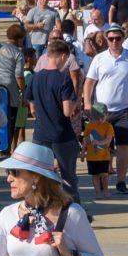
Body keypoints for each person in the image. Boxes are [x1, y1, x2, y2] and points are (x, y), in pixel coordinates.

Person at [83, 32, 128, 187]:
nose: (114, 41)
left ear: (123, 39)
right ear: (106, 40)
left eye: (118, 38)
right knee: (100, 145)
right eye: (111, 39)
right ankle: (101, 180)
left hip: (125, 109)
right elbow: (89, 83)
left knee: (123, 146)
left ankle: (121, 180)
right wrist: (87, 103)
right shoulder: (99, 58)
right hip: (101, 111)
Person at [26, 39, 83, 193]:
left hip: (40, 134)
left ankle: (43, 208)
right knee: (68, 177)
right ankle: (73, 210)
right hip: (61, 134)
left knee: (41, 176)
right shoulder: (63, 79)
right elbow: (67, 111)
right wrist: (75, 105)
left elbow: (32, 107)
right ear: (63, 56)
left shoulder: (34, 78)